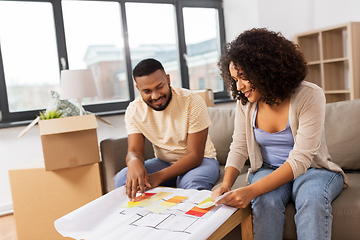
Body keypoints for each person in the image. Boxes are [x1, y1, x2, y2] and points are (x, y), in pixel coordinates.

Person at [211, 28, 347, 240]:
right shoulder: (245, 102)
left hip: (313, 170)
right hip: (267, 168)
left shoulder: (310, 95)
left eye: (244, 77)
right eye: (235, 79)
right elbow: (239, 146)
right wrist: (226, 184)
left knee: (312, 199)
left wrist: (251, 190)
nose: (240, 87)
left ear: (266, 69)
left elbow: (301, 160)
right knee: (264, 201)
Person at [115, 58, 219, 201]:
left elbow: (195, 156)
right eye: (147, 91)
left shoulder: (192, 101)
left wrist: (158, 177)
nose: (155, 96)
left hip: (201, 161)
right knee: (122, 180)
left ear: (168, 79)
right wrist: (133, 161)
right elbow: (134, 151)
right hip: (164, 162)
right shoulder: (134, 110)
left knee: (190, 186)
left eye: (159, 87)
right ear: (138, 89)